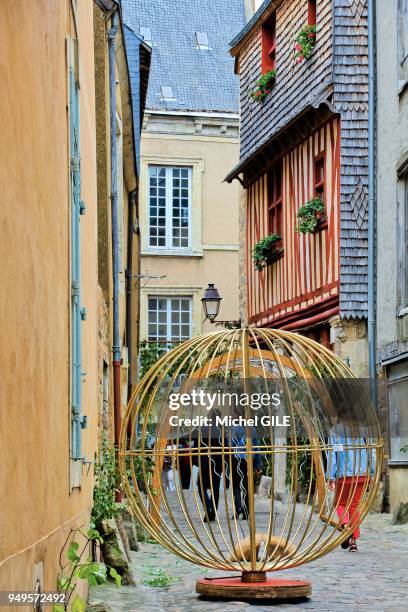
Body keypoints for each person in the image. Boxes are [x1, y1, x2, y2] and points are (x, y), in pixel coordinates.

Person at [327, 430, 375, 552]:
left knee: (339, 503)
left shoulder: (335, 431)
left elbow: (333, 454)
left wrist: (331, 476)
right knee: (354, 506)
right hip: (362, 474)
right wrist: (373, 472)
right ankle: (353, 542)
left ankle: (345, 527)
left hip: (344, 475)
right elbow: (372, 451)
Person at [231, 421, 262, 520]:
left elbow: (231, 444)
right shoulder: (252, 429)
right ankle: (246, 511)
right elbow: (256, 447)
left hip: (237, 460)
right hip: (249, 460)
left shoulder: (235, 428)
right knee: (247, 486)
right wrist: (258, 464)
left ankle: (238, 508)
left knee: (236, 485)